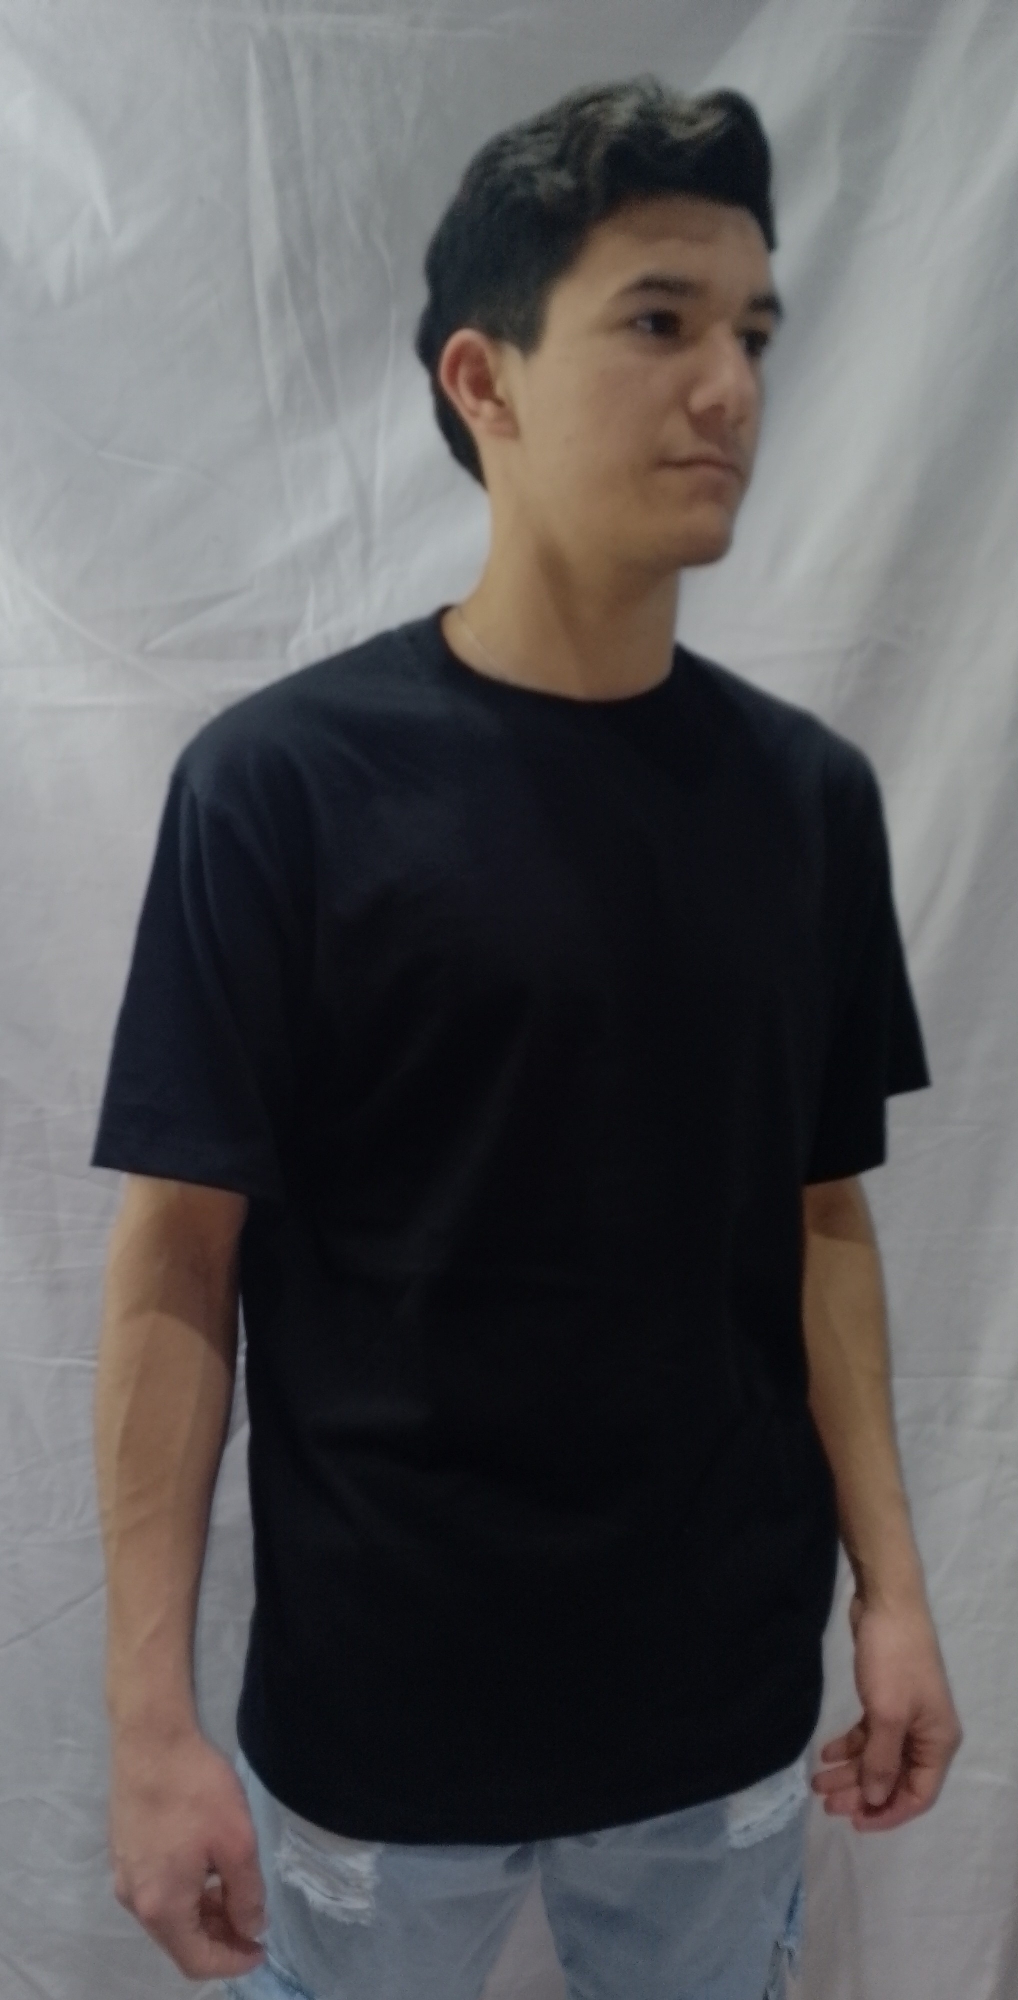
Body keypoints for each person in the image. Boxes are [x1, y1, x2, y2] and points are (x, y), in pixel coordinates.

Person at [91, 73, 962, 2000]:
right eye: (657, 319)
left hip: (716, 1721)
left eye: (750, 332)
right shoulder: (280, 792)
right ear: (481, 380)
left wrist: (893, 1593)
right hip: (375, 1732)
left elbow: (821, 1216)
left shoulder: (806, 803)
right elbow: (177, 1260)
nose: (726, 387)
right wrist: (150, 1725)